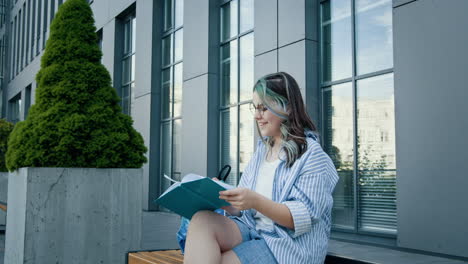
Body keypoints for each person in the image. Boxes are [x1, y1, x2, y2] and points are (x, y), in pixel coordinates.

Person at [183, 72, 339, 264]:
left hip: (286, 245)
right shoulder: (262, 151)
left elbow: (300, 219)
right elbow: (244, 209)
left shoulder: (313, 157)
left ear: (288, 108)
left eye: (264, 108)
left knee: (216, 260)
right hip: (252, 230)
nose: (257, 116)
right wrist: (223, 197)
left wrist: (254, 200)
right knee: (201, 221)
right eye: (255, 108)